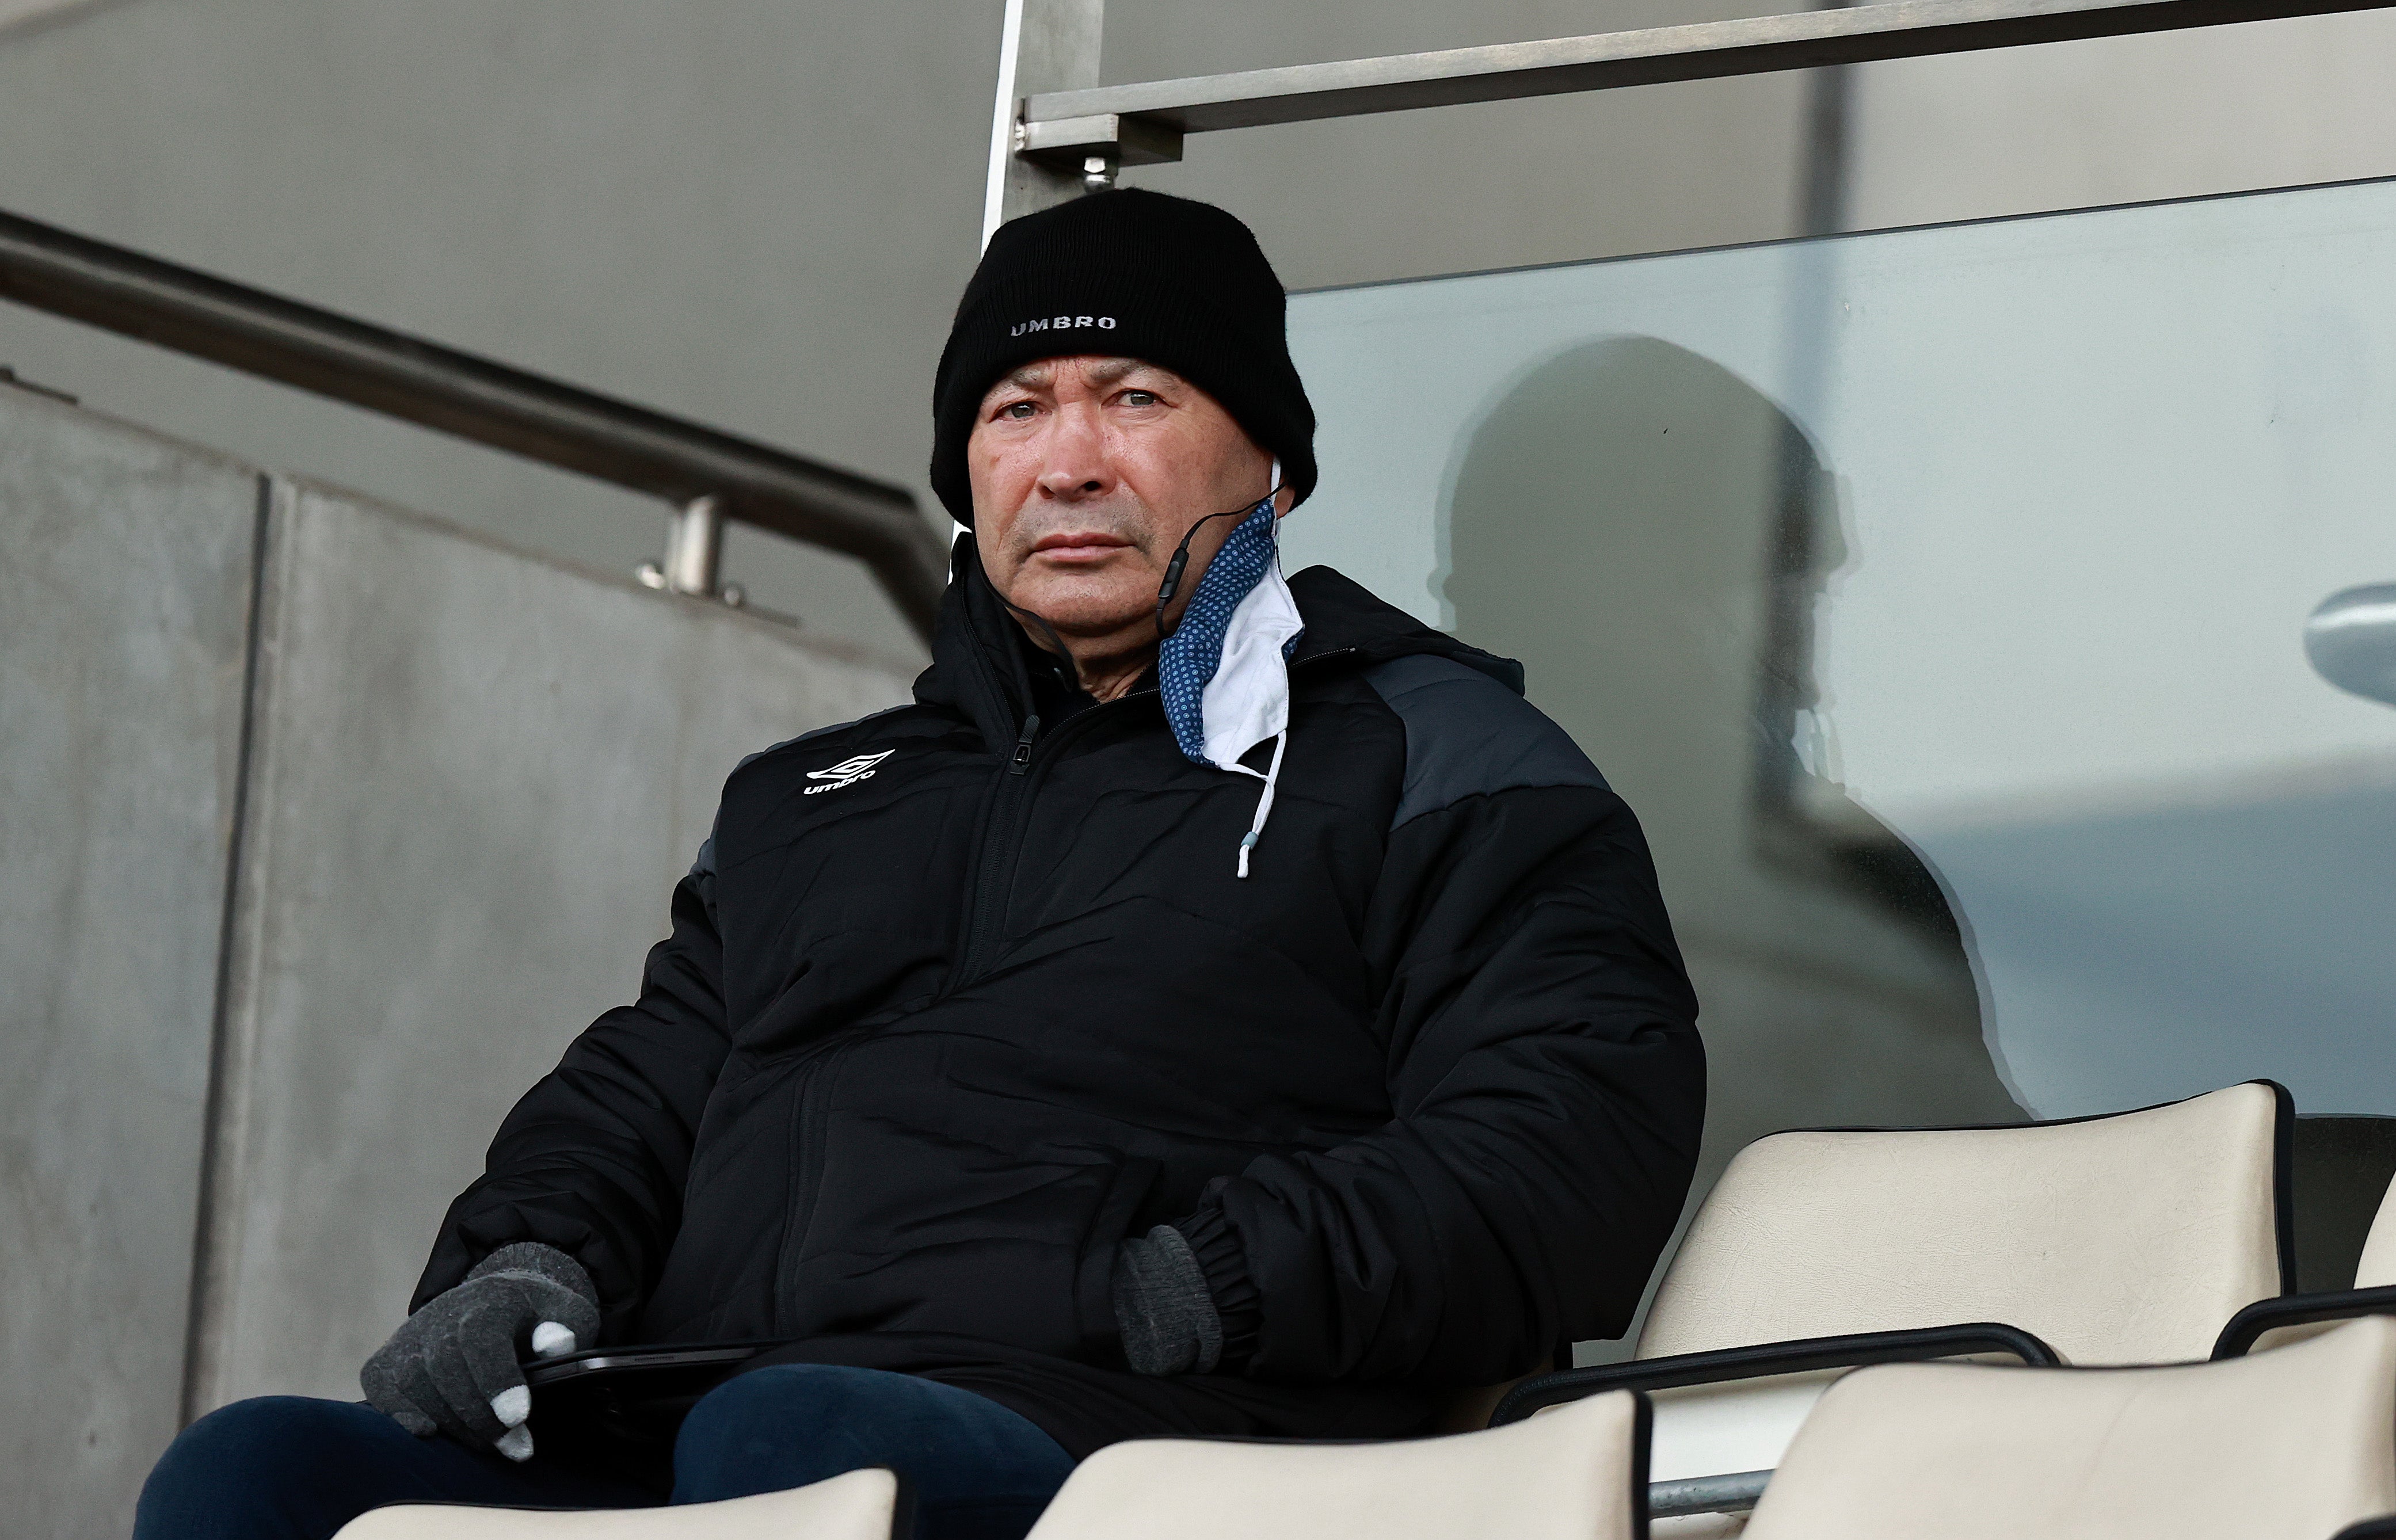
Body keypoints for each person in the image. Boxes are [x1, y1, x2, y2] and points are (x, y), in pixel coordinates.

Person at [136, 189, 1706, 1540]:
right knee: (260, 1473)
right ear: (968, 473)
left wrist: (1197, 1281)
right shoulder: (823, 795)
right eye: (1016, 409)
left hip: (1145, 1423)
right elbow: (647, 1085)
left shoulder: (1428, 750)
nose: (1068, 459)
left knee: (805, 1450)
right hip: (711, 1401)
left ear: (1273, 466)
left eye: (1135, 396)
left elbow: (1569, 1133)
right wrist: (523, 1255)